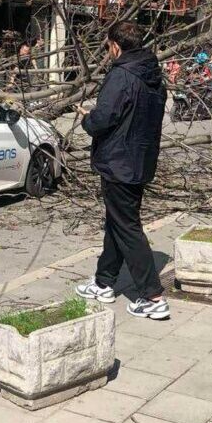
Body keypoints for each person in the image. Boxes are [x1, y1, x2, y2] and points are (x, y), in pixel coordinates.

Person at [75, 22, 169, 320]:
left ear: (115, 45)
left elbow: (105, 118)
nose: (108, 51)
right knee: (117, 222)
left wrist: (88, 119)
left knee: (127, 227)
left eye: (107, 46)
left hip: (119, 162)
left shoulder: (122, 74)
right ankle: (104, 282)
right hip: (139, 160)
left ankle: (152, 296)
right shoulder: (154, 75)